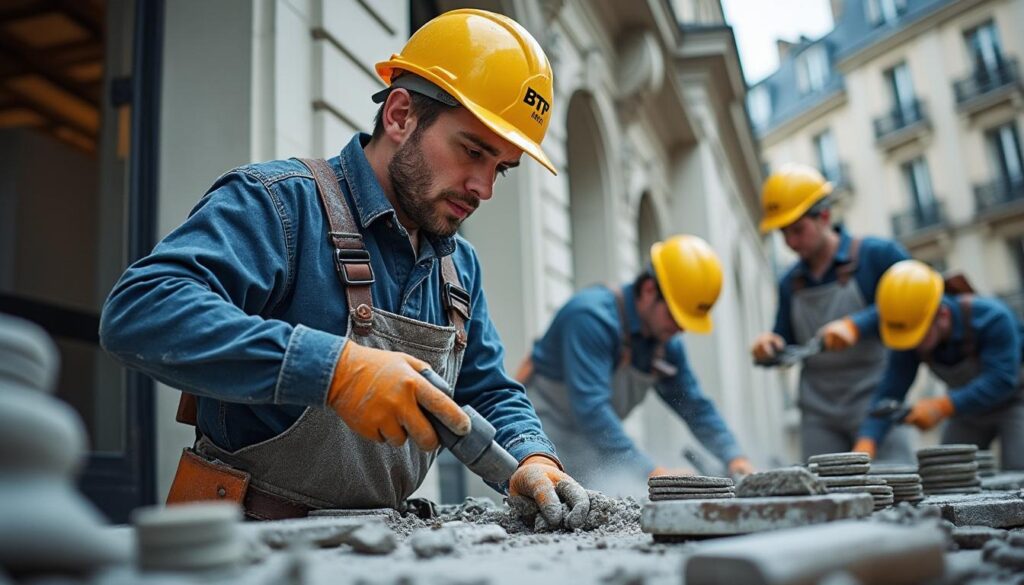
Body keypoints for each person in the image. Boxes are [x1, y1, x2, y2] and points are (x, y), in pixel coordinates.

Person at [99, 9, 588, 526]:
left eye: (500, 170)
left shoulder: (458, 265)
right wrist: (334, 371)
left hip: (384, 549)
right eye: (472, 152)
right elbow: (141, 310)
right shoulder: (281, 205)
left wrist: (532, 456)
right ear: (400, 115)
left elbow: (486, 389)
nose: (483, 188)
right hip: (247, 549)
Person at [517, 235, 754, 495]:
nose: (680, 328)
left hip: (592, 447)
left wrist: (734, 457)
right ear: (650, 289)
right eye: (675, 315)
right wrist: (650, 471)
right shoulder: (590, 317)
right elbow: (592, 410)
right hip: (538, 444)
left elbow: (695, 406)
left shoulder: (665, 342)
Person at [749, 164, 914, 462]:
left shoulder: (877, 256)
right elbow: (786, 337)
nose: (791, 242)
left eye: (797, 230)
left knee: (895, 489)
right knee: (823, 497)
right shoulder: (790, 283)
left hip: (875, 396)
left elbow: (919, 298)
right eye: (784, 233)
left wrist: (858, 325)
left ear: (824, 216)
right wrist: (771, 344)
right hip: (818, 409)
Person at [857, 260, 1024, 470]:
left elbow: (1002, 379)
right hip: (966, 411)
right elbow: (890, 391)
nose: (912, 344)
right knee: (944, 474)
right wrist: (867, 442)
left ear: (942, 315)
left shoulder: (993, 318)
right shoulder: (913, 330)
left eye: (918, 336)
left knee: (1019, 471)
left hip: (1015, 403)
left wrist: (941, 407)